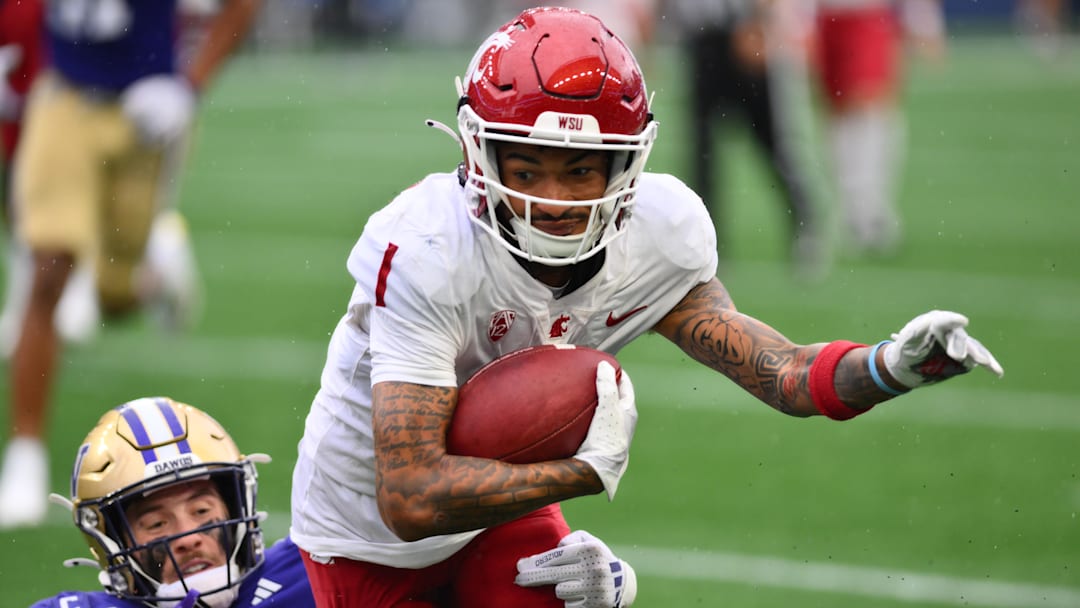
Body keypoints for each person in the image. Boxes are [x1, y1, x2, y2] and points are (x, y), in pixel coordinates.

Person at [289, 6, 1002, 608]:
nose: (554, 199)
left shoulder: (657, 235)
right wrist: (580, 474)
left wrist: (889, 367)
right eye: (527, 167)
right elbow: (408, 497)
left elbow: (780, 371)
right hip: (367, 538)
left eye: (580, 170)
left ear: (627, 164)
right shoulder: (427, 246)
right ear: (480, 153)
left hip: (500, 504)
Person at [0, 0, 264, 530]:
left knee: (115, 300)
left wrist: (189, 85)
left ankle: (158, 264)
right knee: (47, 268)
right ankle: (25, 451)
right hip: (64, 96)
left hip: (146, 105)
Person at [32, 396, 316, 607]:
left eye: (201, 510)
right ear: (114, 542)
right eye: (156, 523)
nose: (187, 538)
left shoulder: (307, 574)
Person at [667, 0, 827, 278]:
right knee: (702, 155)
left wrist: (756, 23)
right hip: (702, 39)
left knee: (774, 145)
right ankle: (707, 243)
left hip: (741, 33)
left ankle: (806, 225)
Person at [811, 0, 946, 255]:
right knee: (836, 112)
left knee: (870, 104)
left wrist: (925, 23)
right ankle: (853, 209)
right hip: (826, 16)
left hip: (867, 14)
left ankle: (872, 210)